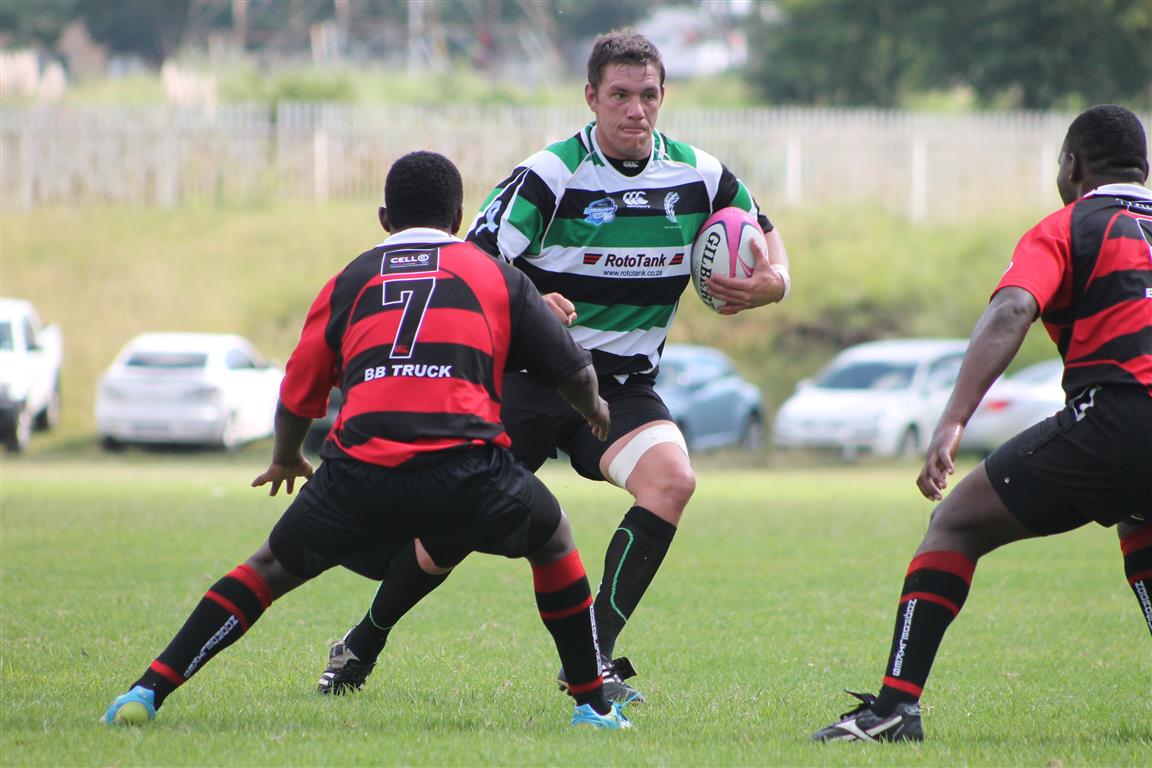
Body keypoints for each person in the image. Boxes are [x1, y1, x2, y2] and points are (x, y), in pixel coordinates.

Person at [316, 29, 791, 704]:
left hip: (621, 387)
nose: (636, 110)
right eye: (620, 95)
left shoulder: (700, 175)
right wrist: (529, 300)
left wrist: (775, 281)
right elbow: (472, 260)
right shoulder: (551, 173)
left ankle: (591, 658)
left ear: (664, 96)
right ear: (591, 97)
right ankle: (364, 638)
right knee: (453, 529)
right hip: (530, 380)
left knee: (671, 481)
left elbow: (762, 230)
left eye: (648, 95)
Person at [101, 150, 633, 731]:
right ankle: (592, 706)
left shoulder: (350, 279)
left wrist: (286, 456)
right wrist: (594, 409)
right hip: (467, 470)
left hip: (359, 470)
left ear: (384, 218)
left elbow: (298, 390)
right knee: (553, 539)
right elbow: (574, 370)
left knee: (268, 568)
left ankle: (146, 691)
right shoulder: (495, 275)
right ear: (458, 219)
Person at [812, 104, 1152, 743]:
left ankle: (895, 708)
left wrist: (952, 420)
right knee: (1141, 516)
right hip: (1129, 432)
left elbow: (1012, 310)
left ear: (1072, 166)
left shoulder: (1067, 225)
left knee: (955, 523)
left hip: (1118, 417)